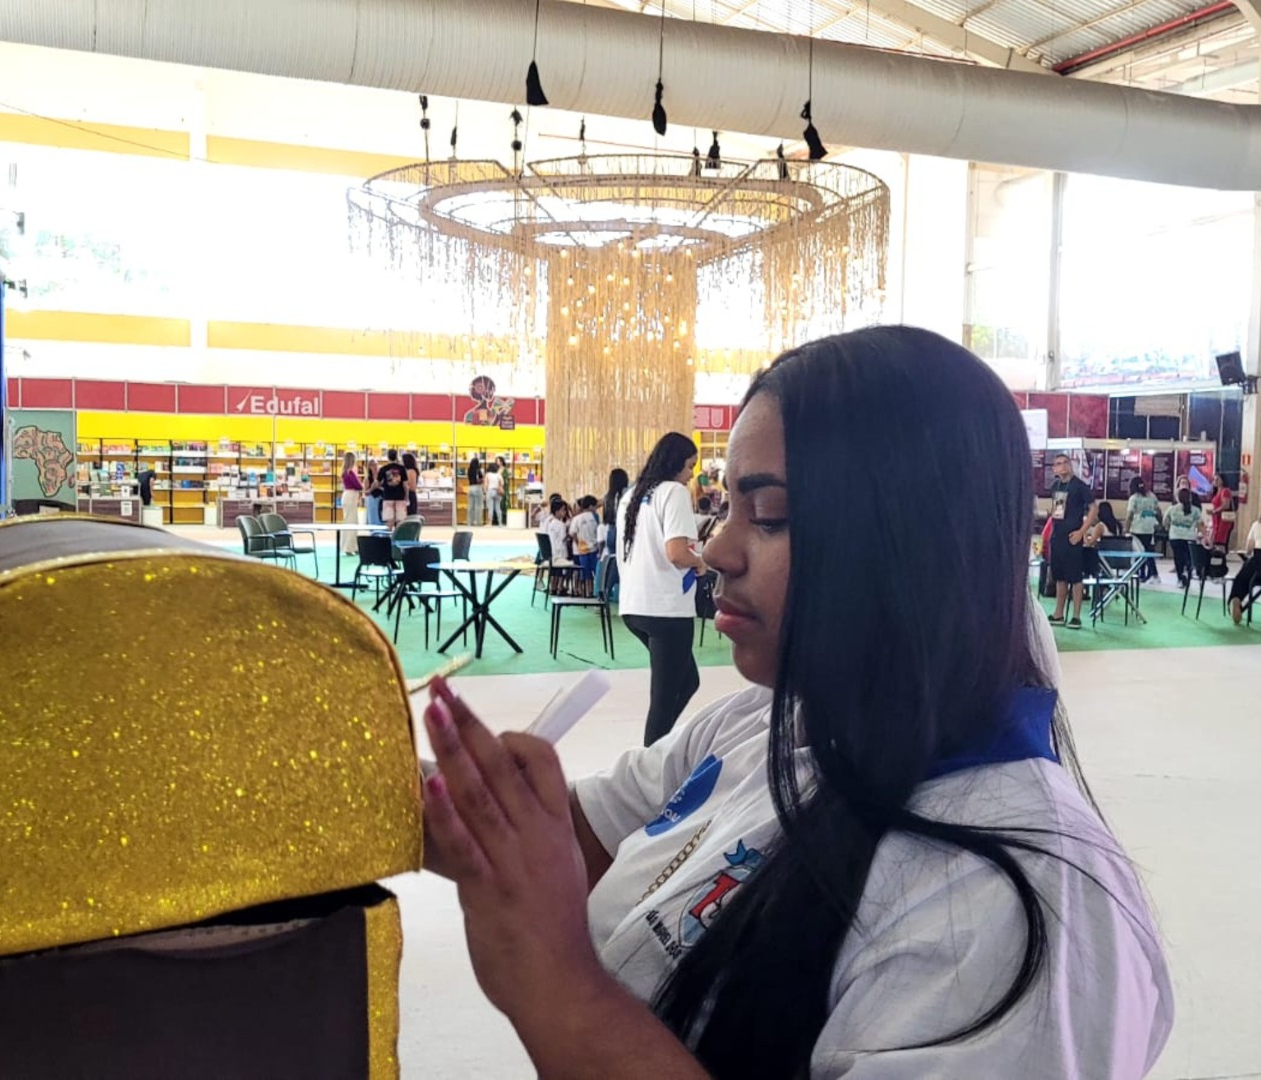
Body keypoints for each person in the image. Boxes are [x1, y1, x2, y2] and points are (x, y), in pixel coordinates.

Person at [415, 326, 1171, 1080]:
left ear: (906, 538)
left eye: (768, 515)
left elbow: (554, 922)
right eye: (727, 509)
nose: (716, 550)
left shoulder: (1020, 912)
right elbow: (556, 836)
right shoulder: (768, 719)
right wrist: (334, 762)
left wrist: (556, 986)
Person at [617, 431, 705, 746]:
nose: (691, 473)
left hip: (634, 607)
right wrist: (700, 561)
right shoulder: (674, 492)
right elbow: (677, 552)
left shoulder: (632, 494)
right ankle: (650, 761)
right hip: (666, 609)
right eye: (690, 465)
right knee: (664, 699)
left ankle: (661, 745)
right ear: (676, 462)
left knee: (688, 681)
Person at [1047, 452, 1098, 629]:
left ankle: (1076, 616)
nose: (1062, 466)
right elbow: (1056, 510)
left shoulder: (1080, 486)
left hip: (1073, 538)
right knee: (1060, 577)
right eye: (1058, 464)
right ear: (1054, 469)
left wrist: (1081, 532)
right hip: (1058, 537)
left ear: (1070, 465)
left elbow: (1093, 509)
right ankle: (1059, 613)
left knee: (1075, 577)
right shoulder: (1056, 486)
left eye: (1065, 463)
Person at [599, 467, 631, 599]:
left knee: (611, 561)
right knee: (621, 562)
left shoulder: (607, 497)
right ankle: (610, 590)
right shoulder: (623, 495)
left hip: (610, 530)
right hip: (620, 530)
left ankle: (604, 589)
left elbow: (605, 516)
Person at [1125, 477, 1161, 582]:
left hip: (1137, 528)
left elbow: (1130, 514)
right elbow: (1158, 512)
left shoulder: (1134, 498)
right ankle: (1152, 574)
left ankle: (1141, 573)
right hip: (1149, 528)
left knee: (1138, 552)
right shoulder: (1152, 496)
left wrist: (1126, 529)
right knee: (1149, 551)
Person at [1166, 488, 1203, 588]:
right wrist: (1201, 535)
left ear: (1177, 497)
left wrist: (1169, 528)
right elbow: (1200, 524)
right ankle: (1187, 571)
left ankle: (1180, 579)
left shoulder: (1172, 509)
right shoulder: (1196, 510)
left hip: (1175, 536)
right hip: (1189, 537)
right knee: (1188, 557)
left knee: (1178, 558)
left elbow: (1165, 521)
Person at [570, 495, 601, 586]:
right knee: (596, 570)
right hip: (594, 548)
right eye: (595, 506)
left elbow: (573, 533)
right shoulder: (595, 516)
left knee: (586, 572)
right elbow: (598, 530)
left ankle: (588, 590)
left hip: (582, 549)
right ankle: (596, 590)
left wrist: (578, 543)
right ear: (591, 506)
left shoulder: (576, 518)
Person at [340, 451, 363, 556]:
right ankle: (350, 547)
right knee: (352, 522)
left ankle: (349, 546)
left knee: (348, 521)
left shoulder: (344, 472)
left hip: (347, 495)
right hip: (351, 496)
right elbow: (358, 486)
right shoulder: (351, 473)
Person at [1208, 473, 1238, 550]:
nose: (1215, 481)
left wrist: (1215, 511)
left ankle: (1221, 555)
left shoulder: (1225, 491)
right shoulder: (1217, 491)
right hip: (1216, 519)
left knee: (1221, 540)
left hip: (1223, 520)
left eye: (1217, 479)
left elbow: (1226, 505)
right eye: (1214, 480)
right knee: (1215, 538)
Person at [377, 454, 408, 527]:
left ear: (388, 457)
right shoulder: (402, 468)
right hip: (400, 497)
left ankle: (389, 537)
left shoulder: (383, 468)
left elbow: (377, 483)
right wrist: (406, 496)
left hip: (388, 497)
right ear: (396, 457)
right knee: (400, 521)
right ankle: (399, 537)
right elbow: (405, 485)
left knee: (389, 520)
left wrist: (383, 488)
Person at [543, 499, 574, 564]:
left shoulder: (548, 521)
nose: (565, 512)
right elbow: (564, 538)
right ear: (557, 511)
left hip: (551, 552)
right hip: (560, 554)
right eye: (563, 510)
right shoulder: (561, 525)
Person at [467, 455, 485, 526]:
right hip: (477, 488)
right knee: (478, 506)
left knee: (470, 506)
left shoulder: (469, 470)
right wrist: (483, 480)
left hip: (470, 488)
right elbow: (479, 480)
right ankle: (478, 522)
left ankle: (469, 522)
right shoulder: (478, 470)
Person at [485, 462, 505, 527]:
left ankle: (490, 523)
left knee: (490, 508)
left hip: (490, 491)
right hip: (497, 491)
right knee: (498, 508)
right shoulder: (498, 474)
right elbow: (502, 483)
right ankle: (500, 523)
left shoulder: (488, 474)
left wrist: (485, 491)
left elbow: (486, 484)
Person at [402, 451, 420, 518]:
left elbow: (412, 487)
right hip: (408, 496)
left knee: (410, 516)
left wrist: (404, 486)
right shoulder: (409, 471)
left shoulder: (411, 471)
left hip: (410, 496)